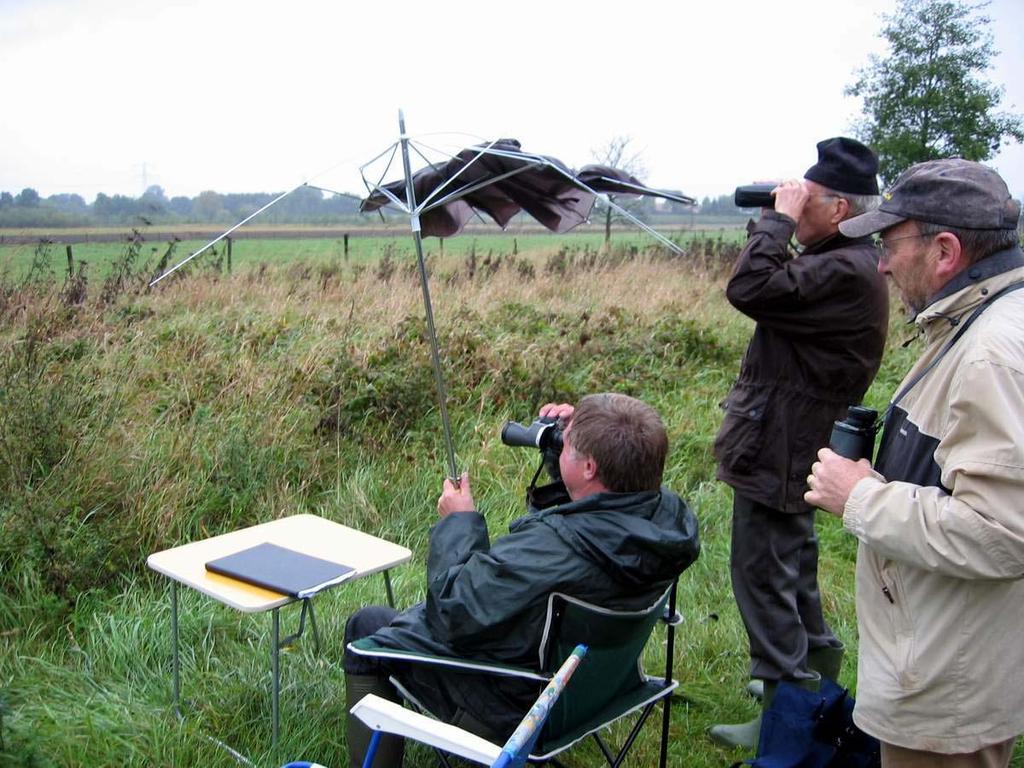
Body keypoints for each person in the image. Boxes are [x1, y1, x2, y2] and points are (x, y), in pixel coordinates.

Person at [342, 393, 701, 767]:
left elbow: (453, 611)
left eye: (569, 443)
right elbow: (598, 506)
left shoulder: (554, 550)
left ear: (590, 467)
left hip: (520, 708)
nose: (562, 442)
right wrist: (564, 451)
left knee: (367, 627)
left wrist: (458, 522)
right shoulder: (668, 522)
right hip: (597, 691)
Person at [806, 158, 1024, 767]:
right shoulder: (978, 322)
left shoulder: (991, 354)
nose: (881, 262)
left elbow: (1003, 534)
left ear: (946, 250)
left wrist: (860, 497)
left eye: (890, 242)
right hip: (951, 654)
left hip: (946, 681)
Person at [710, 137, 890, 749]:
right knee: (791, 568)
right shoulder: (845, 263)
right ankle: (813, 692)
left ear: (839, 209)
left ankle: (786, 716)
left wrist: (775, 222)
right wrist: (788, 217)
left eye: (806, 199)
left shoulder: (844, 269)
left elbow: (750, 287)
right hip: (792, 439)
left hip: (783, 443)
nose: (791, 204)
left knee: (763, 574)